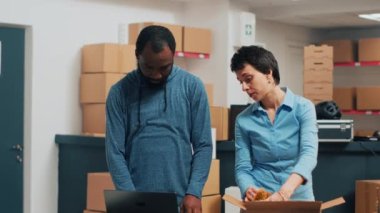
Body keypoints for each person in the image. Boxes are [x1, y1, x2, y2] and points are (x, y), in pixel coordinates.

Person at [105, 25, 213, 213]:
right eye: (149, 67)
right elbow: (114, 152)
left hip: (181, 202)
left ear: (173, 56)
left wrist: (194, 191)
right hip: (135, 202)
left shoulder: (192, 87)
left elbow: (203, 145)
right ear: (137, 55)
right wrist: (131, 200)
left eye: (164, 68)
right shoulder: (119, 93)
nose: (156, 75)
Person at [230, 45, 318, 202]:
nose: (244, 87)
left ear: (268, 73)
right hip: (262, 201)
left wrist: (284, 193)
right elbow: (242, 168)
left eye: (248, 79)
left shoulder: (303, 108)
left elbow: (309, 155)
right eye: (240, 82)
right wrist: (248, 188)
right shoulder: (243, 120)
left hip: (298, 199)